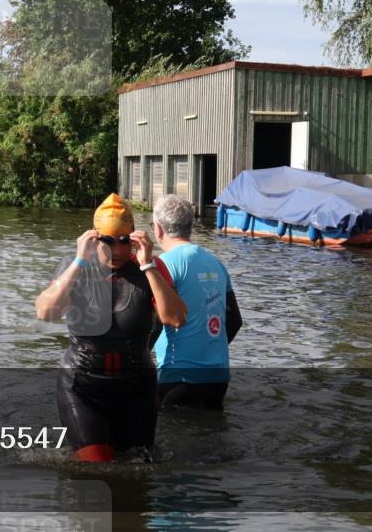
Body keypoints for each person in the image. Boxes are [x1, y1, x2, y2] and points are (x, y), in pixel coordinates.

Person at [35, 193, 186, 463]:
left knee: (139, 470)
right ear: (94, 238)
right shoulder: (76, 267)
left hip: (136, 390)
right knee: (98, 466)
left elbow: (175, 319)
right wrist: (79, 261)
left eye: (124, 241)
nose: (117, 250)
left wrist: (148, 265)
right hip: (83, 388)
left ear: (134, 237)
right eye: (108, 241)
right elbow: (46, 312)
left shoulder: (149, 267)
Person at [151, 195, 242, 410]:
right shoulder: (216, 262)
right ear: (190, 226)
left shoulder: (162, 266)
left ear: (158, 229)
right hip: (218, 376)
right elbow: (235, 320)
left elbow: (154, 324)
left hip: (178, 374)